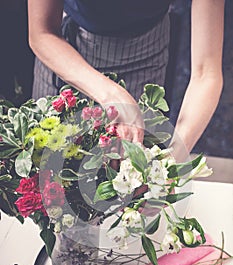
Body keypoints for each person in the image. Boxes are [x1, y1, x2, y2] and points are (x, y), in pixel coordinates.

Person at [27, 0, 225, 160]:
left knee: (128, 189)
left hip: (146, 52)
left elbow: (206, 73)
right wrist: (112, 93)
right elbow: (42, 33)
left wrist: (172, 159)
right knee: (50, 176)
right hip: (64, 52)